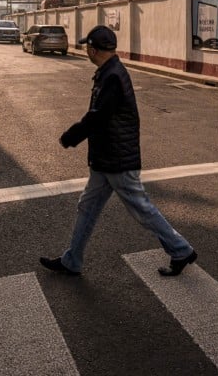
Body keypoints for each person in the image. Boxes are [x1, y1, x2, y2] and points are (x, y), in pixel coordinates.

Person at [40, 25, 197, 278]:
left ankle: (181, 250)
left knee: (142, 210)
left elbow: (98, 117)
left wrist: (71, 136)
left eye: (87, 48)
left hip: (117, 160)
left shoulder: (112, 76)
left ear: (93, 49)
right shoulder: (109, 71)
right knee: (87, 207)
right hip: (107, 160)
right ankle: (72, 261)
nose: (87, 52)